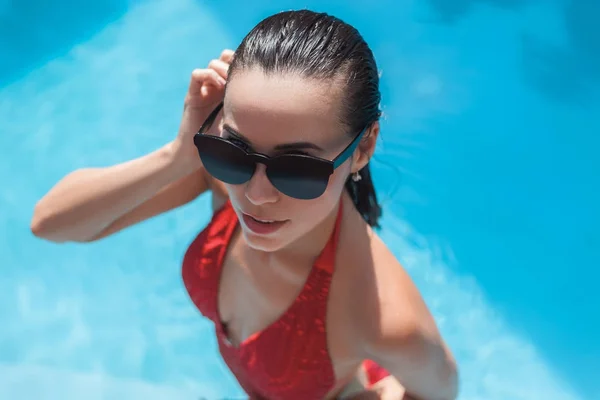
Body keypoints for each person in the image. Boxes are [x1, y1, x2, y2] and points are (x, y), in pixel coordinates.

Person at [30, 9, 458, 400]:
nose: (255, 195)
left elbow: (440, 393)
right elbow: (50, 224)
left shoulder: (382, 317)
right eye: (232, 151)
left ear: (363, 148)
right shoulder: (219, 178)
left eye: (297, 169)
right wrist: (178, 156)